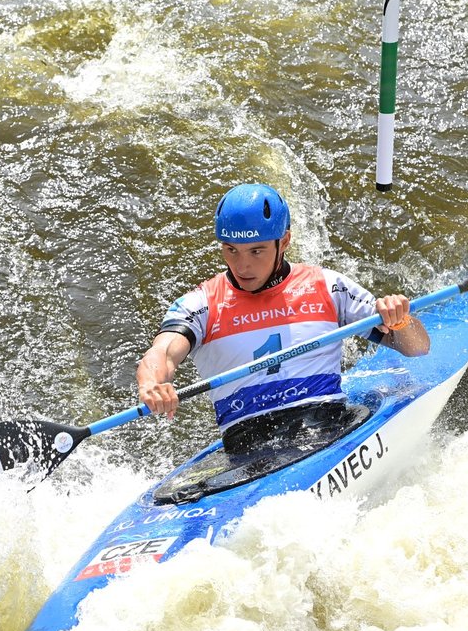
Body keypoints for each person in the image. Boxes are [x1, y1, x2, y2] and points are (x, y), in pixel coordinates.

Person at [136, 183, 430, 455]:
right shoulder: (202, 303)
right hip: (248, 447)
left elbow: (417, 347)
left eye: (256, 250)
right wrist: (152, 384)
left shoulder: (327, 286)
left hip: (327, 424)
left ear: (284, 240)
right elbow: (161, 352)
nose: (242, 265)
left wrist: (399, 319)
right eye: (231, 250)